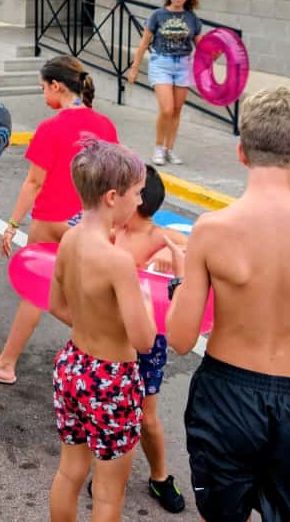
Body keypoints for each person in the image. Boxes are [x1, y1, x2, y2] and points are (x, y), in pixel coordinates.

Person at [166, 87, 290, 521]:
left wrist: (179, 287)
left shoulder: (211, 230)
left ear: (241, 152)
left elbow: (180, 339)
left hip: (225, 394)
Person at [0, 57, 117, 386]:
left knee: (36, 292)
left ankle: (6, 363)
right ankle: (104, 348)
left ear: (57, 86)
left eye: (43, 87)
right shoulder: (105, 125)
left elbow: (33, 183)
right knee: (77, 293)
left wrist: (12, 224)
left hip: (51, 218)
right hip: (88, 221)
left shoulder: (50, 128)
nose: (42, 93)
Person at [47, 139, 155, 522]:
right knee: (108, 493)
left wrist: (93, 320)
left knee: (69, 471)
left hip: (72, 366)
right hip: (112, 379)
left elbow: (57, 303)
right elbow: (143, 341)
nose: (140, 203)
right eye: (138, 194)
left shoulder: (70, 239)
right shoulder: (118, 261)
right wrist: (144, 296)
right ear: (113, 196)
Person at [108, 165, 187, 513]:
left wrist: (171, 253)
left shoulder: (158, 235)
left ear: (136, 201)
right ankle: (110, 469)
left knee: (146, 416)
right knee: (110, 406)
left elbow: (199, 246)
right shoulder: (112, 230)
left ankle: (159, 477)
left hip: (146, 339)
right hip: (109, 332)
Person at [126, 0, 205, 166]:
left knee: (177, 110)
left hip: (183, 65)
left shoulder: (192, 19)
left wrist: (215, 53)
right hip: (161, 63)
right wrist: (134, 68)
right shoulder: (157, 15)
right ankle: (158, 148)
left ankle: (170, 150)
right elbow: (144, 43)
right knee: (167, 109)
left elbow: (201, 47)